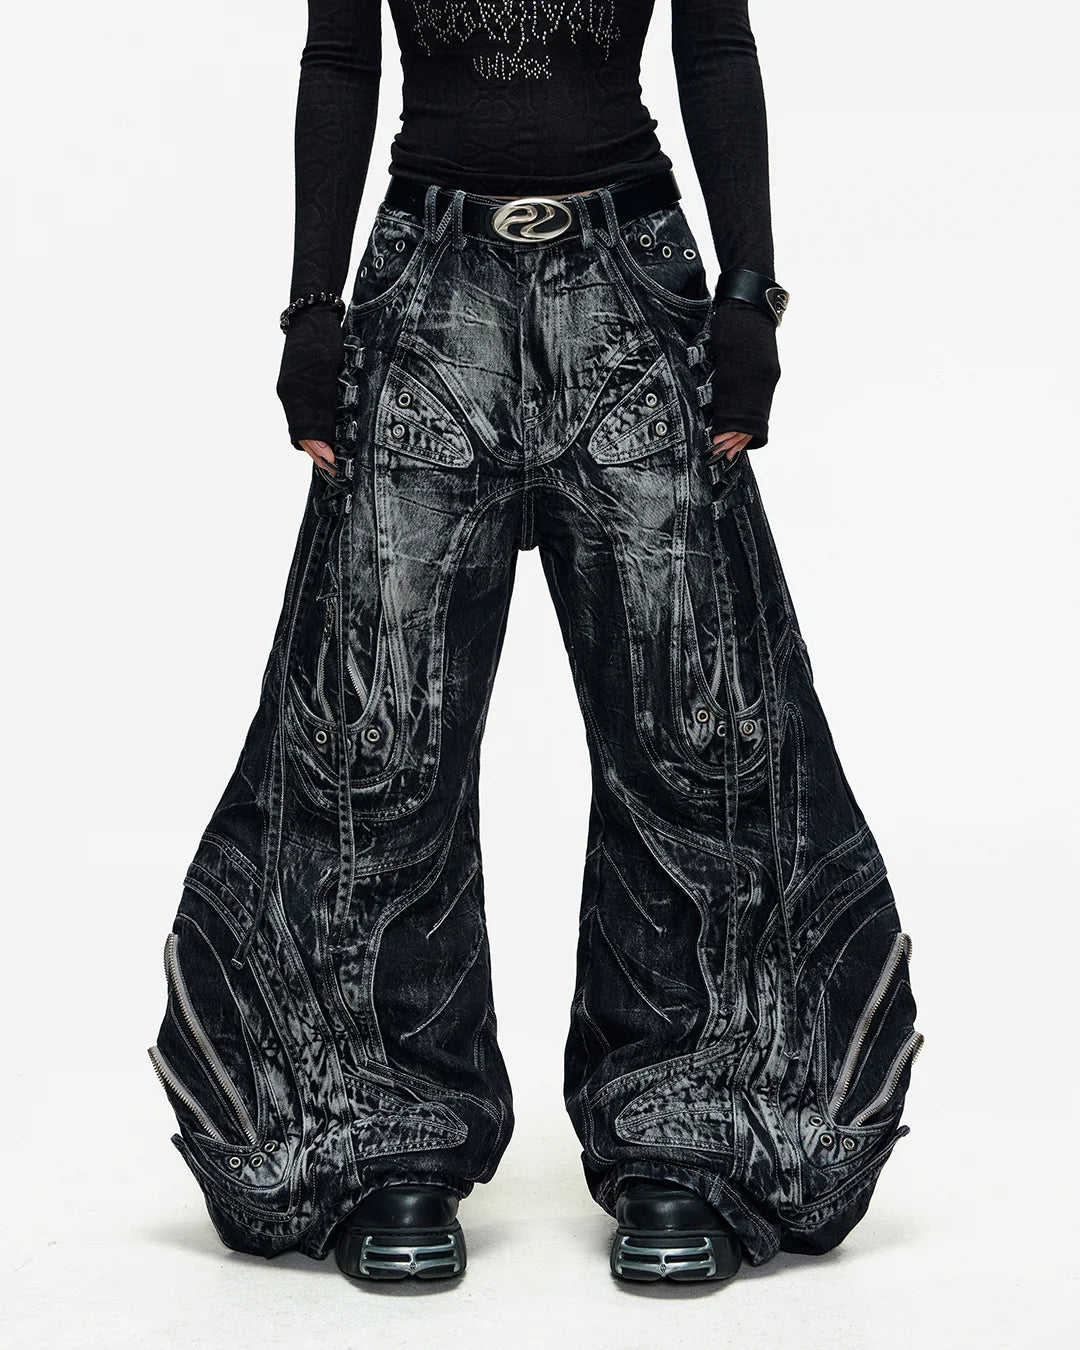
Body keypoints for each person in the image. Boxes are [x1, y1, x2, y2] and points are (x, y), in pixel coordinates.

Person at [147, 0, 922, 1286]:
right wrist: (311, 309)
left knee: (692, 722)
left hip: (635, 281)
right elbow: (339, 55)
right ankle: (382, 1141)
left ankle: (690, 1136)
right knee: (378, 733)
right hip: (424, 283)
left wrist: (749, 294)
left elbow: (715, 44)